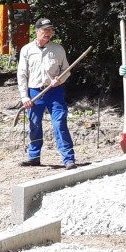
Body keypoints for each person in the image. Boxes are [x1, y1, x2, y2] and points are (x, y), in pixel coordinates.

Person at [17, 18, 75, 168]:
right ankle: (34, 157)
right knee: (34, 124)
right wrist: (25, 96)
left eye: (50, 30)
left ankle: (68, 159)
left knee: (59, 122)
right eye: (45, 30)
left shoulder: (58, 49)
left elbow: (66, 71)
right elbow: (22, 74)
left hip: (54, 92)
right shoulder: (27, 50)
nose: (48, 33)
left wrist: (59, 79)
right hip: (35, 92)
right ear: (37, 31)